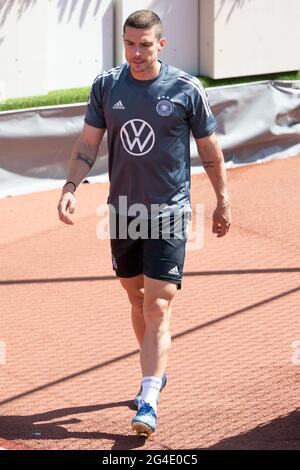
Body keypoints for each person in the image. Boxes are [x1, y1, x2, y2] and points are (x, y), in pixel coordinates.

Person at [57, 9, 231, 438]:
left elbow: (209, 150)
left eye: (145, 45)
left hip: (169, 212)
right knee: (135, 300)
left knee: (157, 305)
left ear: (161, 45)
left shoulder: (186, 89)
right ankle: (156, 368)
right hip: (123, 213)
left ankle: (149, 397)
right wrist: (70, 187)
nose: (136, 53)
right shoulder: (106, 86)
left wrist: (223, 199)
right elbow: (87, 143)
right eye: (129, 44)